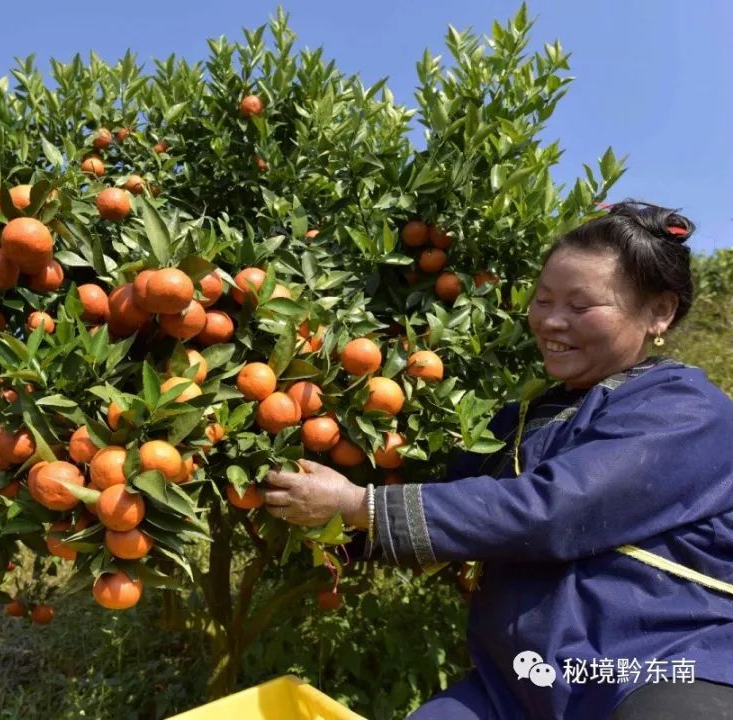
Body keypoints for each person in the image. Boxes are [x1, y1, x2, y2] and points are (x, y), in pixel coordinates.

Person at [263, 202, 733, 719]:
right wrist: (293, 499)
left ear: (659, 313)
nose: (552, 321)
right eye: (544, 300)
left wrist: (359, 504)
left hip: (658, 669)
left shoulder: (686, 410)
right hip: (516, 685)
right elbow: (453, 508)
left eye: (581, 307)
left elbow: (553, 509)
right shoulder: (524, 419)